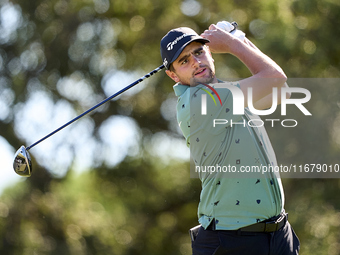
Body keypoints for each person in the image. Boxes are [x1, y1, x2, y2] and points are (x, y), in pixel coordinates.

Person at [160, 22, 300, 255]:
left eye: (199, 51)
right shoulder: (199, 102)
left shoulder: (227, 92)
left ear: (209, 52)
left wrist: (241, 39)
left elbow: (281, 91)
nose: (196, 61)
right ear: (173, 75)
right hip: (232, 241)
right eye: (184, 60)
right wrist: (234, 44)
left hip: (277, 235)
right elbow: (274, 76)